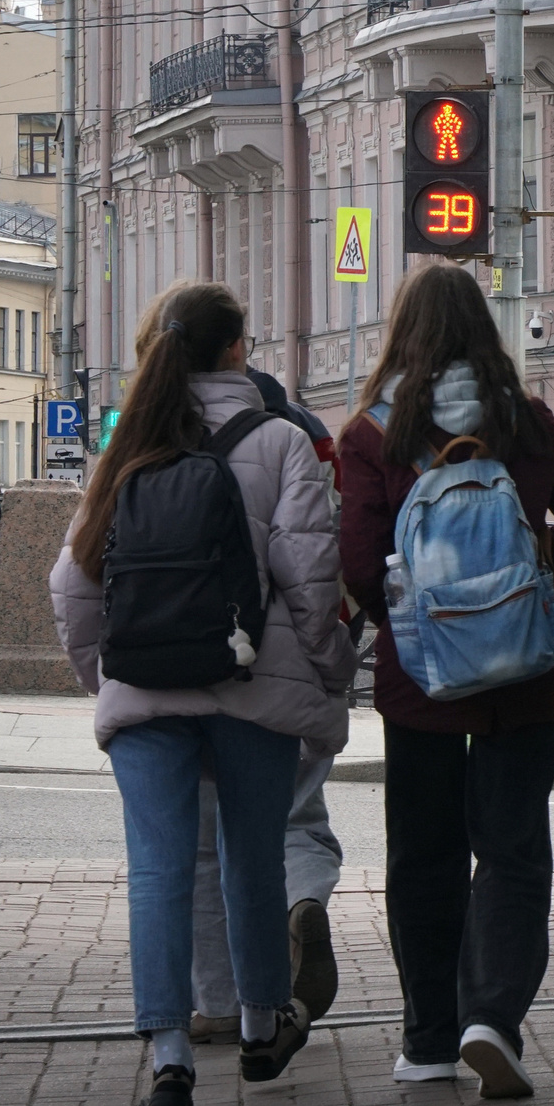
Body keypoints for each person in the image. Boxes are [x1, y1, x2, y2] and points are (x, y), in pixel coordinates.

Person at [50, 281, 351, 1106]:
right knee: (254, 858)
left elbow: (71, 579)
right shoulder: (283, 440)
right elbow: (308, 577)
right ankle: (260, 1028)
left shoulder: (132, 440)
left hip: (147, 684)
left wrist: (102, 674)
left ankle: (171, 1056)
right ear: (236, 349)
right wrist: (330, 668)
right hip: (250, 683)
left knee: (159, 872)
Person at [338, 263, 554, 1099]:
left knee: (423, 854)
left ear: (403, 332)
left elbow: (358, 566)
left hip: (421, 684)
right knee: (511, 851)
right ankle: (491, 1018)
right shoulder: (527, 422)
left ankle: (427, 1038)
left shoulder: (373, 433)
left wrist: (423, 624)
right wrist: (536, 575)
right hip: (527, 677)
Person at [190, 370, 348, 1043]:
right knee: (295, 817)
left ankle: (220, 1003)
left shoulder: (164, 432)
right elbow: (317, 564)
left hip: (185, 659)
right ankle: (302, 899)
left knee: (203, 841)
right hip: (286, 667)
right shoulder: (306, 436)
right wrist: (333, 661)